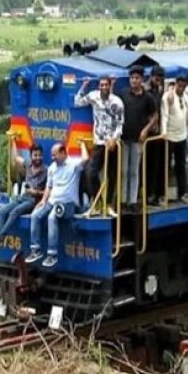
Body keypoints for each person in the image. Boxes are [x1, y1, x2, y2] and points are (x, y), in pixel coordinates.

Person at [25, 142, 88, 268]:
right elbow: (49, 187)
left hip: (67, 204)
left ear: (63, 153)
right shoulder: (52, 168)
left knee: (51, 218)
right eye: (52, 155)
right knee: (35, 215)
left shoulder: (73, 165)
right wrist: (43, 201)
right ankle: (35, 249)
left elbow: (86, 159)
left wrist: (82, 144)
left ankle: (52, 255)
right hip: (52, 201)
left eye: (55, 155)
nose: (53, 158)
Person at [73, 75, 124, 216]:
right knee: (90, 172)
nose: (104, 87)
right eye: (101, 85)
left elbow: (120, 124)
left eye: (106, 85)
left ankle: (108, 206)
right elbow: (77, 102)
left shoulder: (117, 102)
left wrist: (114, 139)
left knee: (112, 174)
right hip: (99, 143)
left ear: (110, 86)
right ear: (99, 86)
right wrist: (84, 85)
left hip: (113, 144)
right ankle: (96, 203)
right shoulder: (93, 96)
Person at [0, 141, 46, 252]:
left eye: (40, 155)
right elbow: (16, 158)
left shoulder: (46, 171)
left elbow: (49, 192)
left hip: (33, 201)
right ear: (31, 156)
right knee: (3, 211)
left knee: (14, 212)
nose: (38, 158)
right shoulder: (28, 165)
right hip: (23, 197)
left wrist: (35, 192)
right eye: (35, 155)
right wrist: (13, 140)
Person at [119, 65, 157, 210]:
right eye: (131, 78)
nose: (133, 81)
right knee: (123, 170)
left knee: (134, 170)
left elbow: (155, 116)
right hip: (123, 138)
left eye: (136, 78)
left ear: (142, 79)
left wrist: (146, 130)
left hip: (137, 139)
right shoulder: (123, 94)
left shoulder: (148, 97)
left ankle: (133, 201)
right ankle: (123, 200)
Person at [161, 75, 188, 205]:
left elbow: (186, 116)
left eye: (183, 86)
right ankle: (163, 195)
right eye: (179, 86)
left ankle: (183, 194)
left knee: (181, 166)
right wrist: (164, 132)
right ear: (175, 84)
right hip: (169, 136)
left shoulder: (186, 97)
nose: (181, 88)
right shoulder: (167, 97)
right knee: (166, 166)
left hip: (182, 135)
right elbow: (164, 115)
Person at [143, 65, 166, 206]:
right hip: (147, 133)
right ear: (152, 76)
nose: (158, 80)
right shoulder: (145, 91)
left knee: (157, 164)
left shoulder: (159, 90)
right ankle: (148, 195)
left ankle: (156, 194)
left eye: (160, 78)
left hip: (158, 133)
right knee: (148, 166)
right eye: (157, 77)